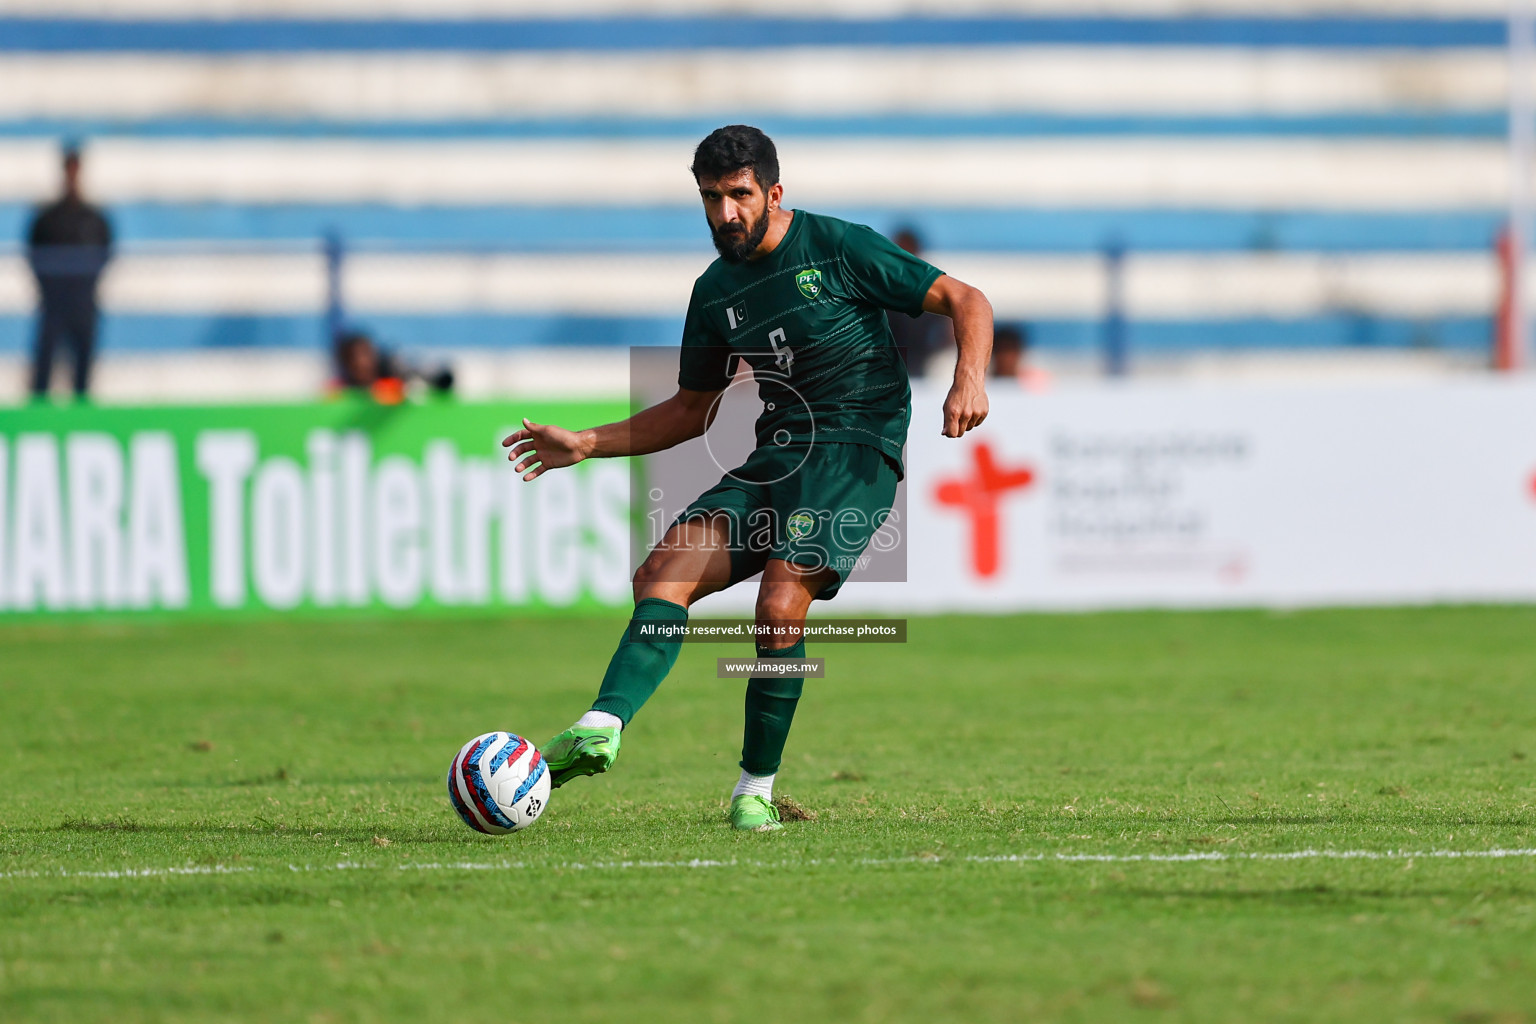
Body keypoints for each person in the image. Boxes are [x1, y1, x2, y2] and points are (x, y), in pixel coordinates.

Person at [501, 126, 993, 831]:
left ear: (773, 193)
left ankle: (754, 789)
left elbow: (968, 300)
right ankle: (601, 724)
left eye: (739, 195)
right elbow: (692, 410)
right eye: (711, 198)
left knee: (780, 601)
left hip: (855, 448)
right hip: (777, 453)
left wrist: (966, 380)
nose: (725, 213)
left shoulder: (836, 246)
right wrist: (585, 442)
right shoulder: (714, 291)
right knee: (662, 575)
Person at [26, 144, 112, 401]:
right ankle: (38, 422)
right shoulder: (47, 218)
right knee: (43, 370)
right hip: (53, 304)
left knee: (83, 373)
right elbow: (33, 254)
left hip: (83, 304)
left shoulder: (94, 218)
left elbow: (106, 254)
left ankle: (80, 424)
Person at [884, 227, 954, 376]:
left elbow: (950, 329)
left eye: (907, 253)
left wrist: (933, 350)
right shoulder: (879, 288)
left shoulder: (931, 290)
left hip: (921, 366)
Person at [331, 329, 453, 404]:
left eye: (366, 354)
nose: (362, 363)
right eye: (354, 357)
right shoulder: (338, 391)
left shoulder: (393, 385)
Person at [990, 323, 1052, 392]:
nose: (1006, 357)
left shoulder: (1036, 382)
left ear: (1018, 352)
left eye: (1011, 349)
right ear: (993, 352)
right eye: (1001, 350)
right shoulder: (983, 383)